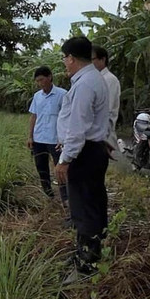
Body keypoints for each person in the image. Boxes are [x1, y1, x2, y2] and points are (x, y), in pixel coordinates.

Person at [55, 36, 112, 281]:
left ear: (71, 58)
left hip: (84, 153)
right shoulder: (90, 79)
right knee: (92, 203)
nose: (65, 64)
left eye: (65, 59)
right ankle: (86, 252)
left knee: (84, 207)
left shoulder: (85, 84)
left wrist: (64, 159)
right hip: (89, 150)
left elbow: (78, 126)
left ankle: (87, 264)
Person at [26, 66, 68, 203]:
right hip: (39, 139)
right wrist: (30, 136)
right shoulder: (37, 96)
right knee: (41, 167)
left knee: (60, 168)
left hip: (56, 139)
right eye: (37, 81)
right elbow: (33, 116)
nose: (40, 83)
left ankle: (66, 198)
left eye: (42, 79)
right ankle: (48, 194)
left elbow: (68, 117)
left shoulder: (62, 94)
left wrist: (65, 138)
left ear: (49, 77)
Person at [91, 45, 122, 141]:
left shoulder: (109, 80)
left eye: (92, 59)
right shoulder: (94, 79)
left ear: (102, 59)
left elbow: (107, 109)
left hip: (104, 134)